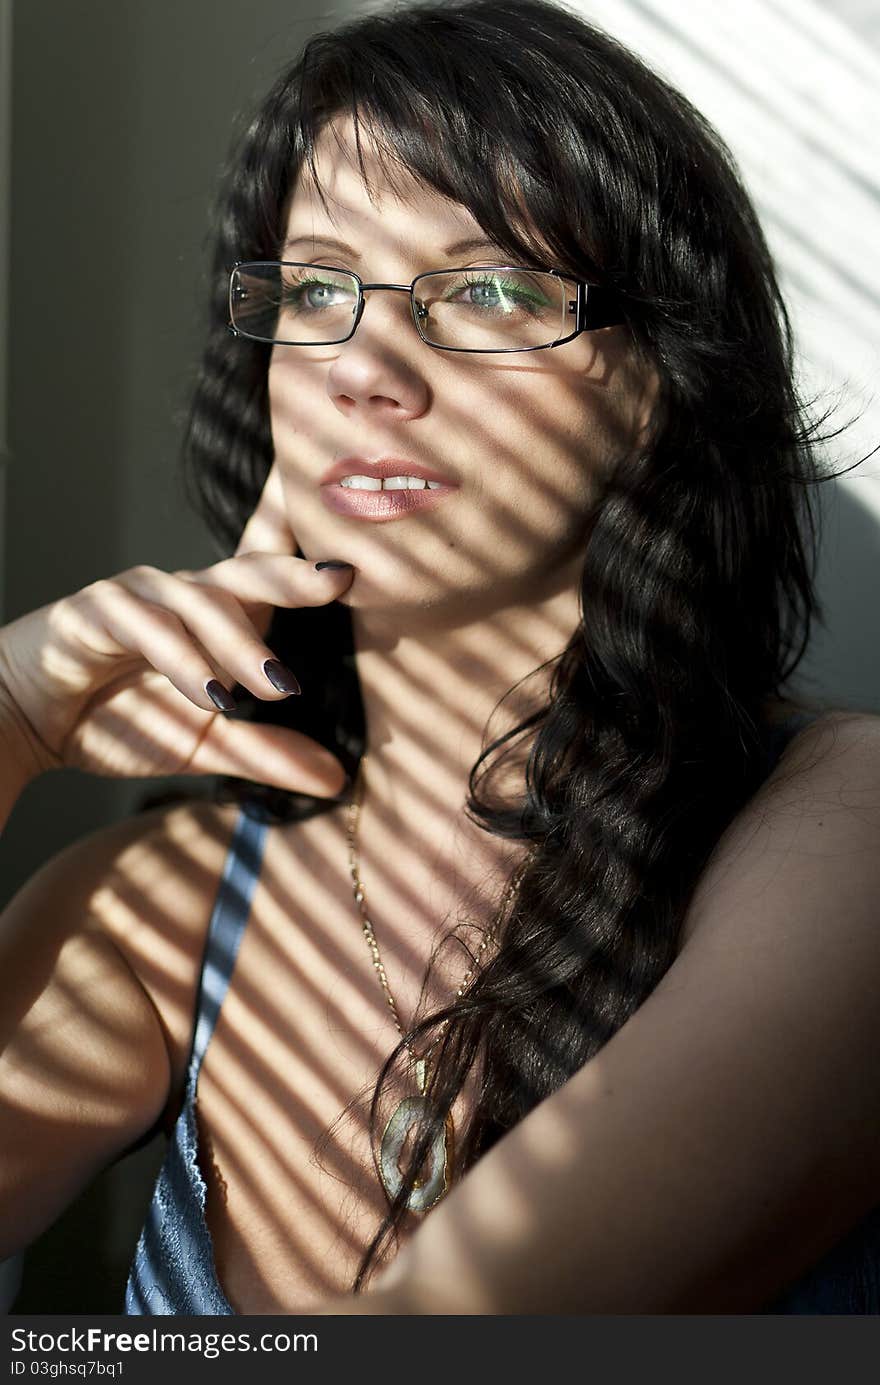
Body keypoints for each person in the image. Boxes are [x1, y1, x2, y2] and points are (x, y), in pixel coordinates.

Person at [1, 0, 879, 1316]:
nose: (365, 365)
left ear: (655, 384)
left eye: (483, 287)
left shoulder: (837, 820)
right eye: (317, 288)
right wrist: (11, 710)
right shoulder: (157, 910)